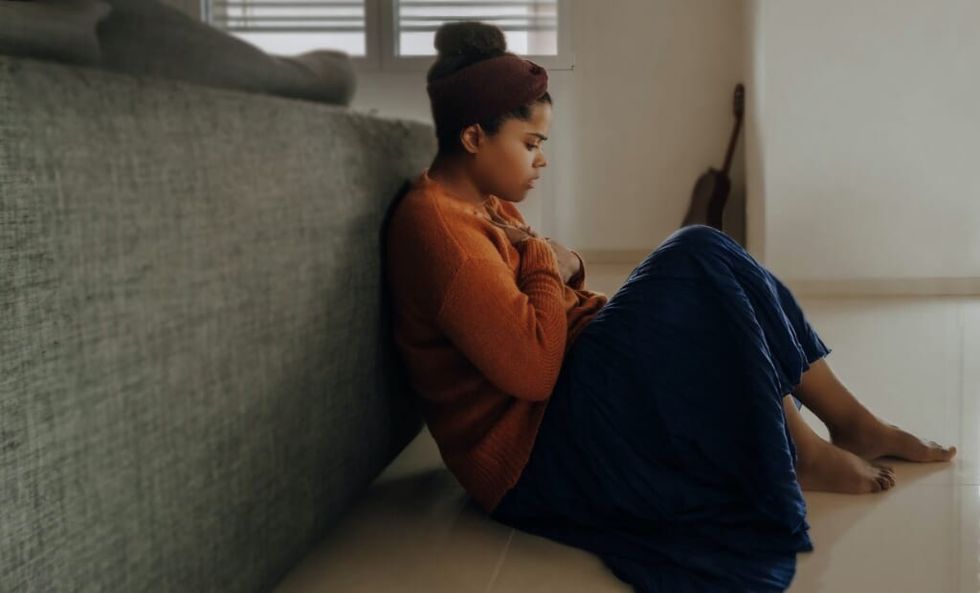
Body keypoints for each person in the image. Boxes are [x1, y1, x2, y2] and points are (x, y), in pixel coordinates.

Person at [383, 20, 957, 593]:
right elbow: (532, 371)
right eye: (531, 145)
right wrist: (540, 256)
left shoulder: (479, 201)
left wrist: (565, 265)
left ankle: (850, 423)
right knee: (694, 253)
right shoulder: (440, 232)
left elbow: (549, 282)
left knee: (704, 254)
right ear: (473, 137)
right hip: (533, 455)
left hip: (566, 394)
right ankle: (801, 450)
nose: (541, 162)